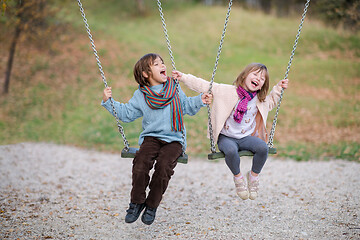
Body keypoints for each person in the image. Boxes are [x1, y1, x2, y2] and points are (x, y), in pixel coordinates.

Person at [102, 53, 212, 225]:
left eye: (162, 63)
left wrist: (200, 100)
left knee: (163, 167)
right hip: (151, 138)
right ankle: (136, 202)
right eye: (156, 64)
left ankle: (152, 205)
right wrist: (109, 102)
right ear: (146, 74)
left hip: (174, 139)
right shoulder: (141, 95)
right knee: (140, 164)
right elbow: (126, 113)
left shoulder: (174, 87)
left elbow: (186, 107)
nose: (163, 66)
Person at [172, 63, 288, 200]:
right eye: (255, 74)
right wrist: (184, 77)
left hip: (246, 137)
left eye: (262, 78)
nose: (258, 78)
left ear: (262, 85)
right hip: (226, 137)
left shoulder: (259, 100)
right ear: (244, 76)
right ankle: (238, 178)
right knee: (231, 151)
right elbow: (205, 85)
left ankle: (253, 176)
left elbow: (273, 100)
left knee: (263, 148)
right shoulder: (226, 91)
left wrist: (279, 88)